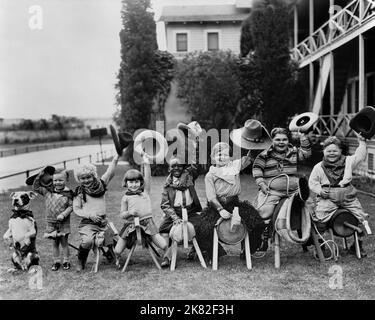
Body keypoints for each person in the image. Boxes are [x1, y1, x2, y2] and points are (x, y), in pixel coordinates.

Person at [199, 142, 265, 259]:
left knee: (257, 223)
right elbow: (211, 197)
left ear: (229, 157)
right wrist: (220, 210)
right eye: (219, 154)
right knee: (203, 229)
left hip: (234, 204)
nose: (222, 157)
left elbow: (250, 157)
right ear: (213, 157)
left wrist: (254, 140)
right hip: (216, 206)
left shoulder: (234, 166)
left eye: (226, 155)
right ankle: (216, 253)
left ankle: (247, 251)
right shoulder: (210, 175)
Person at [308, 134, 369, 256]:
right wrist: (320, 191)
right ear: (324, 151)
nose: (332, 153)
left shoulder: (348, 161)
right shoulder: (318, 167)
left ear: (341, 150)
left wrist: (362, 142)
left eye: (335, 150)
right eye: (328, 151)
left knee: (361, 216)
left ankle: (357, 245)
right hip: (328, 197)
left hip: (348, 196)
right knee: (320, 218)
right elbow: (312, 182)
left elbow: (360, 156)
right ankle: (321, 245)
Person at [252, 127, 311, 251]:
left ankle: (307, 234)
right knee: (264, 212)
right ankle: (265, 236)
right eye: (278, 139)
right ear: (272, 140)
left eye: (284, 139)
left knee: (305, 209)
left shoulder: (293, 152)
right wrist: (261, 184)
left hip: (292, 190)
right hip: (273, 190)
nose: (281, 142)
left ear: (288, 141)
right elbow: (257, 169)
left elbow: (306, 154)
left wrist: (303, 138)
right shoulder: (264, 154)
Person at [114, 154, 167, 268]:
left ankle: (167, 258)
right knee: (117, 250)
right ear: (126, 183)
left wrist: (146, 163)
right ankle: (117, 259)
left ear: (140, 182)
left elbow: (148, 177)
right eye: (131, 182)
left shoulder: (145, 192)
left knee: (163, 244)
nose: (134, 185)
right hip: (131, 225)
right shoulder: (125, 197)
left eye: (136, 182)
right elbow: (122, 214)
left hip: (148, 224)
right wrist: (129, 213)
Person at [73, 154, 120, 271]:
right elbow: (76, 209)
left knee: (115, 239)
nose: (86, 180)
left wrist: (115, 159)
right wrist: (90, 215)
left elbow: (110, 173)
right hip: (88, 223)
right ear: (79, 179)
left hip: (103, 222)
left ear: (93, 175)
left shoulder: (101, 185)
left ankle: (111, 254)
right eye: (82, 178)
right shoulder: (79, 192)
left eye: (88, 177)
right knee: (88, 241)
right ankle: (81, 259)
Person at [159, 156, 208, 267]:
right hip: (175, 213)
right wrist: (175, 217)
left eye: (179, 166)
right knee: (163, 228)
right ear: (169, 169)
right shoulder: (167, 185)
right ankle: (167, 256)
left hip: (190, 211)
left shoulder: (189, 176)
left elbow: (196, 166)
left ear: (183, 167)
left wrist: (195, 148)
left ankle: (196, 250)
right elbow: (165, 205)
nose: (176, 168)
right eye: (173, 166)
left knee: (204, 226)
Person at [33, 168, 73, 271]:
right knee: (55, 243)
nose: (58, 183)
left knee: (64, 243)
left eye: (60, 180)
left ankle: (66, 261)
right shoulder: (47, 191)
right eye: (55, 180)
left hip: (63, 222)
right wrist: (40, 176)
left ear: (66, 180)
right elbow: (36, 187)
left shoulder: (68, 193)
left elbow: (71, 206)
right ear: (52, 180)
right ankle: (56, 262)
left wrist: (64, 214)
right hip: (51, 223)